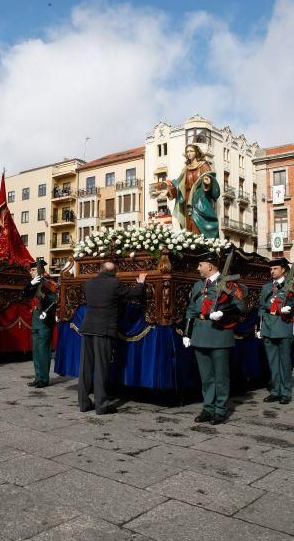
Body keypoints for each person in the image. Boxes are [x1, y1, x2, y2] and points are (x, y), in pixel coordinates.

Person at [183, 251, 247, 424]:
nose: (198, 268)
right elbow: (191, 309)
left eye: (200, 265)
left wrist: (223, 314)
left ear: (209, 266)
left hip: (219, 335)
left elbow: (241, 306)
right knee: (206, 377)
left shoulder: (229, 284)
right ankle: (208, 408)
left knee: (221, 377)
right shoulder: (198, 286)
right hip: (200, 335)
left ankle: (220, 409)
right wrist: (187, 333)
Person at [78, 261, 147, 415]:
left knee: (85, 367)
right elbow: (133, 294)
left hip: (88, 328)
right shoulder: (115, 283)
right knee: (101, 368)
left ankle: (83, 402)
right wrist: (141, 283)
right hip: (104, 330)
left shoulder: (88, 283)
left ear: (100, 270)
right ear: (115, 271)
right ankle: (101, 405)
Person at [160, 144, 220, 238]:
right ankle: (192, 245)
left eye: (191, 151)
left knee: (198, 224)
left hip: (200, 200)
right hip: (188, 201)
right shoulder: (186, 169)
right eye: (187, 151)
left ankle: (204, 245)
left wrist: (208, 181)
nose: (189, 153)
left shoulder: (203, 165)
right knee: (189, 224)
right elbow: (179, 184)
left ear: (196, 152)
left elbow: (210, 177)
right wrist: (168, 191)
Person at [258, 257, 294, 405]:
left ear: (283, 270)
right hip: (268, 326)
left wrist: (290, 309)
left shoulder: (290, 286)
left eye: (275, 269)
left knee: (285, 362)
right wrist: (259, 327)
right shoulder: (266, 287)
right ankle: (275, 391)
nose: (272, 271)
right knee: (272, 362)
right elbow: (261, 308)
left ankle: (286, 392)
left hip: (283, 325)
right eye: (271, 269)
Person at [23, 259, 57, 388]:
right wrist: (30, 284)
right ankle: (38, 377)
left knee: (43, 351)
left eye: (32, 270)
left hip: (44, 321)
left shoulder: (48, 282)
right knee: (36, 350)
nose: (30, 272)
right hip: (36, 319)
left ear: (38, 269)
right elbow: (24, 294)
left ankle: (43, 378)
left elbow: (54, 300)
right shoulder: (35, 283)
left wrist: (46, 312)